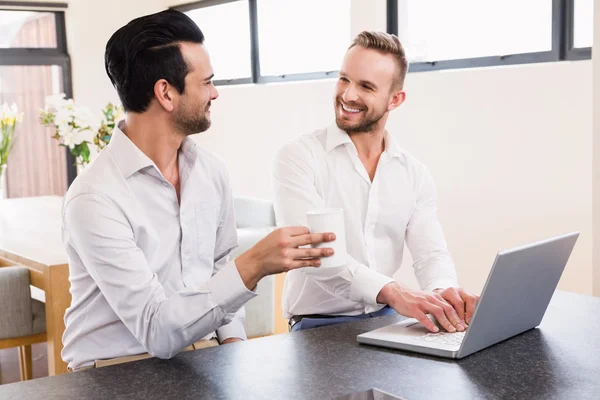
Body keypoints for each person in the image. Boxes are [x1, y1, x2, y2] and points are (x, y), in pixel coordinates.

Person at [61, 10, 334, 371]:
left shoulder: (210, 172)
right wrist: (253, 263)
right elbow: (158, 332)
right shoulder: (95, 199)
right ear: (166, 93)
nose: (215, 93)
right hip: (117, 372)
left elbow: (220, 275)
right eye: (206, 82)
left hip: (204, 359)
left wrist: (235, 348)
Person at [273, 31, 479, 334]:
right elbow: (315, 257)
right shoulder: (299, 157)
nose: (348, 95)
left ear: (395, 99)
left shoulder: (413, 173)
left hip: (387, 321)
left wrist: (443, 292)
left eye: (366, 86)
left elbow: (431, 254)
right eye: (344, 79)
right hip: (318, 328)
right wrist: (395, 292)